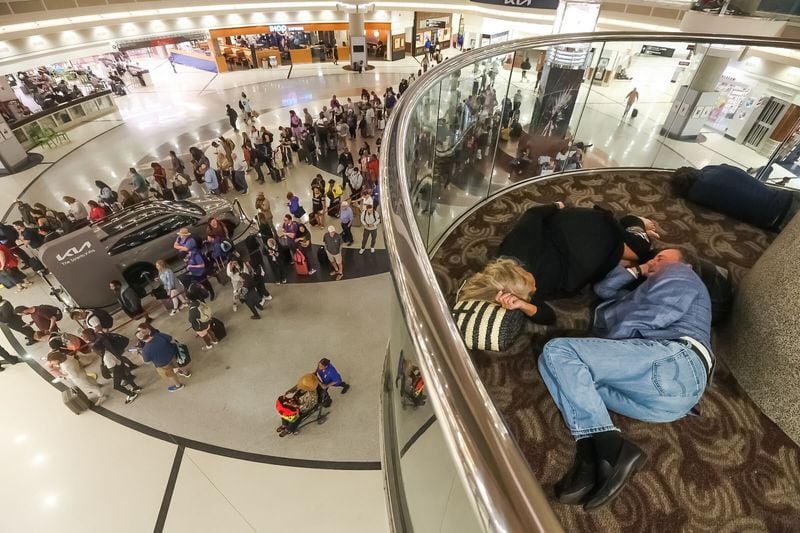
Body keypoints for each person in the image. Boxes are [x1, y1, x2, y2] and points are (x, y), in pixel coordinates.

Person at [539, 249, 712, 510]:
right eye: (653, 258)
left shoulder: (681, 275)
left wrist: (600, 348)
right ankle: (591, 455)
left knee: (559, 351)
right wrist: (640, 269)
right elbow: (604, 290)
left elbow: (654, 315)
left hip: (675, 361)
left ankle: (610, 446)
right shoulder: (642, 289)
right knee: (556, 368)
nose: (654, 261)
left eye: (661, 258)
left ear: (684, 264)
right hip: (667, 404)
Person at [496, 203, 656, 300]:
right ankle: (627, 232)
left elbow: (532, 214)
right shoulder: (519, 291)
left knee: (640, 251)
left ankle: (634, 222)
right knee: (628, 263)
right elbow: (546, 315)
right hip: (580, 258)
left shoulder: (515, 250)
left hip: (574, 230)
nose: (535, 288)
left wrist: (556, 205)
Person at [672, 164, 796, 231]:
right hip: (788, 197)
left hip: (775, 219)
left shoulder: (695, 194)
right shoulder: (714, 168)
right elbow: (741, 173)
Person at [82, 329, 140, 404]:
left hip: (116, 366)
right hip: (118, 362)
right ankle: (135, 387)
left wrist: (112, 374)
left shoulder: (106, 356)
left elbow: (112, 367)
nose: (84, 338)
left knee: (117, 386)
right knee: (124, 376)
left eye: (85, 337)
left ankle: (132, 394)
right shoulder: (104, 346)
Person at [137, 324, 189, 392]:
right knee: (178, 364)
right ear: (147, 333)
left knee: (170, 374)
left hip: (162, 364)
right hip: (172, 354)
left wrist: (139, 354)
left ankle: (178, 385)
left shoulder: (145, 350)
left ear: (142, 340)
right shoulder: (159, 335)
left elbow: (147, 361)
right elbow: (171, 339)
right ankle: (186, 373)